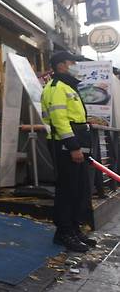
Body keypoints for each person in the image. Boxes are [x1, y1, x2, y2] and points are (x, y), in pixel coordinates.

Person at [41, 51, 96, 252]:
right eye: (72, 62)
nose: (75, 65)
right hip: (65, 144)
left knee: (79, 188)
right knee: (67, 190)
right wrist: (73, 147)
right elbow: (60, 120)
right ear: (61, 65)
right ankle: (64, 233)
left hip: (77, 140)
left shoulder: (67, 86)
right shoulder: (55, 88)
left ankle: (73, 229)